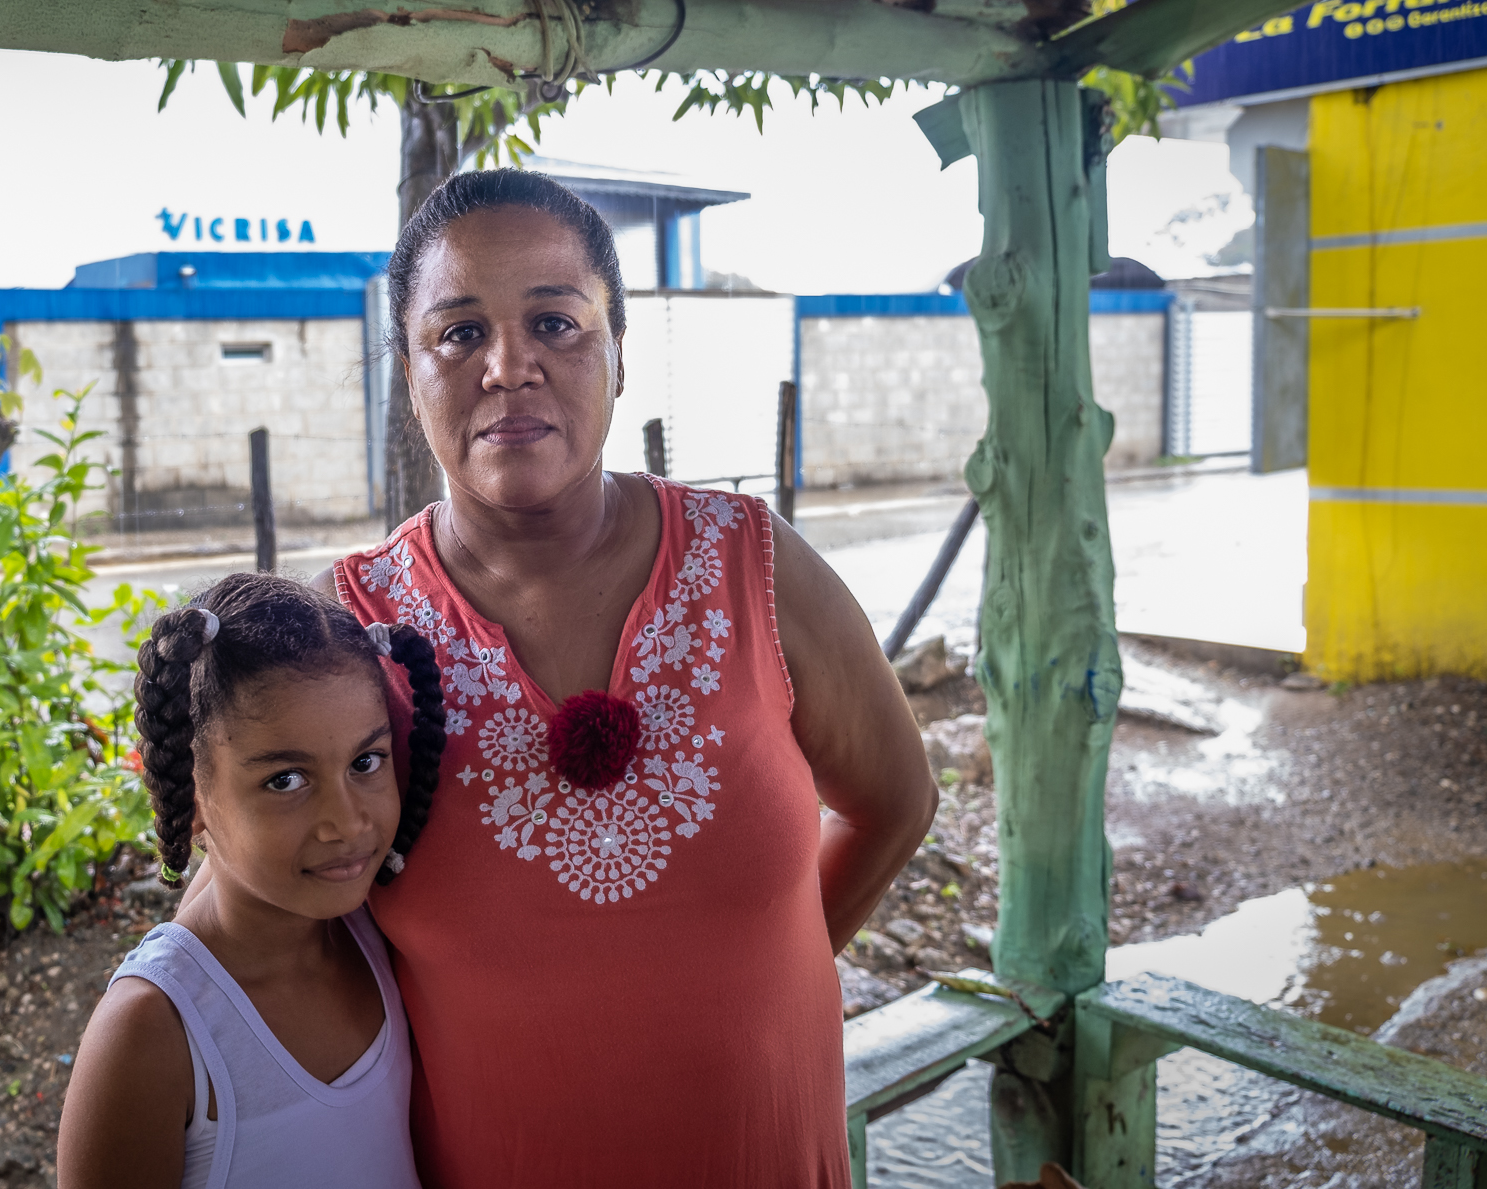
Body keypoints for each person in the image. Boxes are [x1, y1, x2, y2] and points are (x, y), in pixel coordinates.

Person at [327, 169, 940, 1187]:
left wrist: (757, 984)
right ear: (407, 369)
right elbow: (256, 924)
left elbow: (893, 803)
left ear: (618, 355)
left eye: (556, 324)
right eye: (459, 333)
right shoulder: (347, 634)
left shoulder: (755, 566)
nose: (509, 367)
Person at [56, 573, 448, 1189]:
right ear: (192, 798)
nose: (346, 823)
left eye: (365, 762)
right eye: (285, 780)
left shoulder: (371, 930)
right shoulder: (152, 1036)